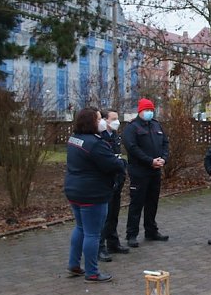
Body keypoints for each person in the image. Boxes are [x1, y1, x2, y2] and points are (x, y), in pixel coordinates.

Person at [64, 107, 126, 283]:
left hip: (74, 190)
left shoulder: (74, 139)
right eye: (99, 119)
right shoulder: (95, 144)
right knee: (92, 233)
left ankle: (74, 264)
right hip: (92, 194)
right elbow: (113, 164)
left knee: (80, 228)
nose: (102, 122)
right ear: (90, 122)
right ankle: (92, 272)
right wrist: (122, 163)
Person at [123, 98, 170, 247]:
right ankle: (131, 234)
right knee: (137, 204)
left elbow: (165, 143)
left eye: (151, 110)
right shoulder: (132, 127)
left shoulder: (156, 125)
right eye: (147, 110)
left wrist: (163, 159)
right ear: (140, 111)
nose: (149, 112)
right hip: (139, 171)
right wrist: (150, 161)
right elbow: (132, 148)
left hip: (155, 171)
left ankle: (151, 231)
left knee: (152, 202)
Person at [98, 108, 128, 262]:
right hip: (106, 181)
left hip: (117, 180)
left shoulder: (115, 136)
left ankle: (113, 242)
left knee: (114, 214)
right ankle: (100, 246)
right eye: (113, 119)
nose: (116, 122)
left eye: (117, 118)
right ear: (104, 120)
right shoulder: (100, 138)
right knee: (105, 215)